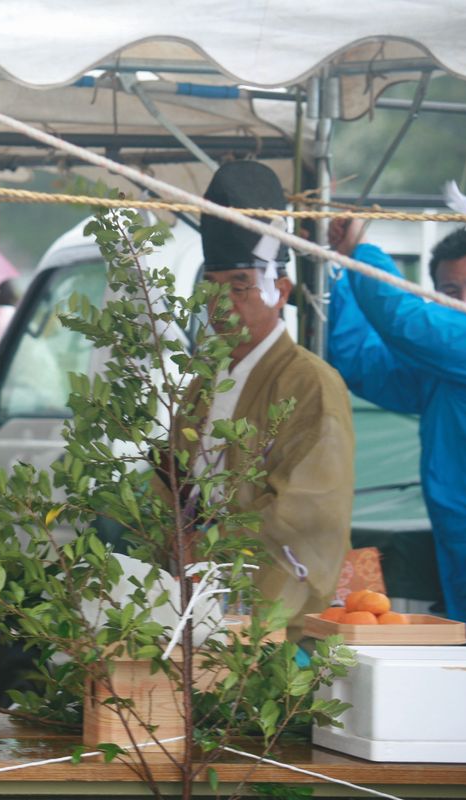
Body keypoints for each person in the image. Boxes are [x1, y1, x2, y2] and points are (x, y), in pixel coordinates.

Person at [328, 221, 466, 648]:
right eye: (449, 293)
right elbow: (359, 361)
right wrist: (343, 270)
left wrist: (361, 249)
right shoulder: (446, 363)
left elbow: (406, 321)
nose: (465, 304)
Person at [177, 161, 354, 638]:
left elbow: (307, 510)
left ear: (281, 290)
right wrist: (172, 531)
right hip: (195, 589)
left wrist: (205, 542)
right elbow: (169, 473)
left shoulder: (311, 383)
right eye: (211, 288)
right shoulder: (203, 380)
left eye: (240, 285)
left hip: (273, 607)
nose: (223, 302)